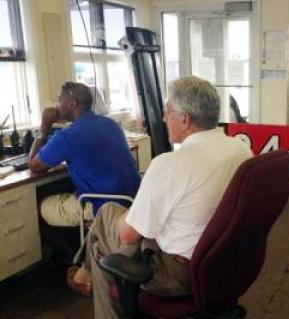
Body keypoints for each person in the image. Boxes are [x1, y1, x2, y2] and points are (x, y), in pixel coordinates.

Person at [69, 76, 253, 318]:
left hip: (179, 273)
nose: (164, 118)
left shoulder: (168, 165)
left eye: (168, 112)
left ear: (185, 118)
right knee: (111, 223)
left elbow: (128, 234)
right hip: (226, 260)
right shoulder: (240, 149)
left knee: (104, 232)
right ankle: (87, 270)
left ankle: (86, 272)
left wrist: (135, 217)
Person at [29, 81, 141, 226]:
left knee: (41, 206)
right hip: (132, 200)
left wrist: (44, 126)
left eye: (59, 100)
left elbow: (34, 166)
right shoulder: (111, 124)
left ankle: (69, 247)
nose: (56, 105)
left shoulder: (67, 136)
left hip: (104, 207)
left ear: (72, 104)